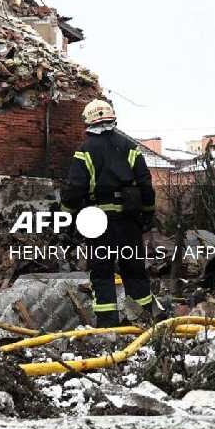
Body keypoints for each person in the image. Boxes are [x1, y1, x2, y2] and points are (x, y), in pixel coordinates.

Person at [63, 99, 166, 326]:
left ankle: (108, 326)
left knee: (101, 273)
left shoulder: (85, 151)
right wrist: (147, 215)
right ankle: (145, 323)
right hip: (129, 221)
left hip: (97, 223)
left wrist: (66, 217)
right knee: (134, 271)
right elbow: (145, 184)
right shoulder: (131, 148)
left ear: (88, 122)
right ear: (112, 119)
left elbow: (74, 190)